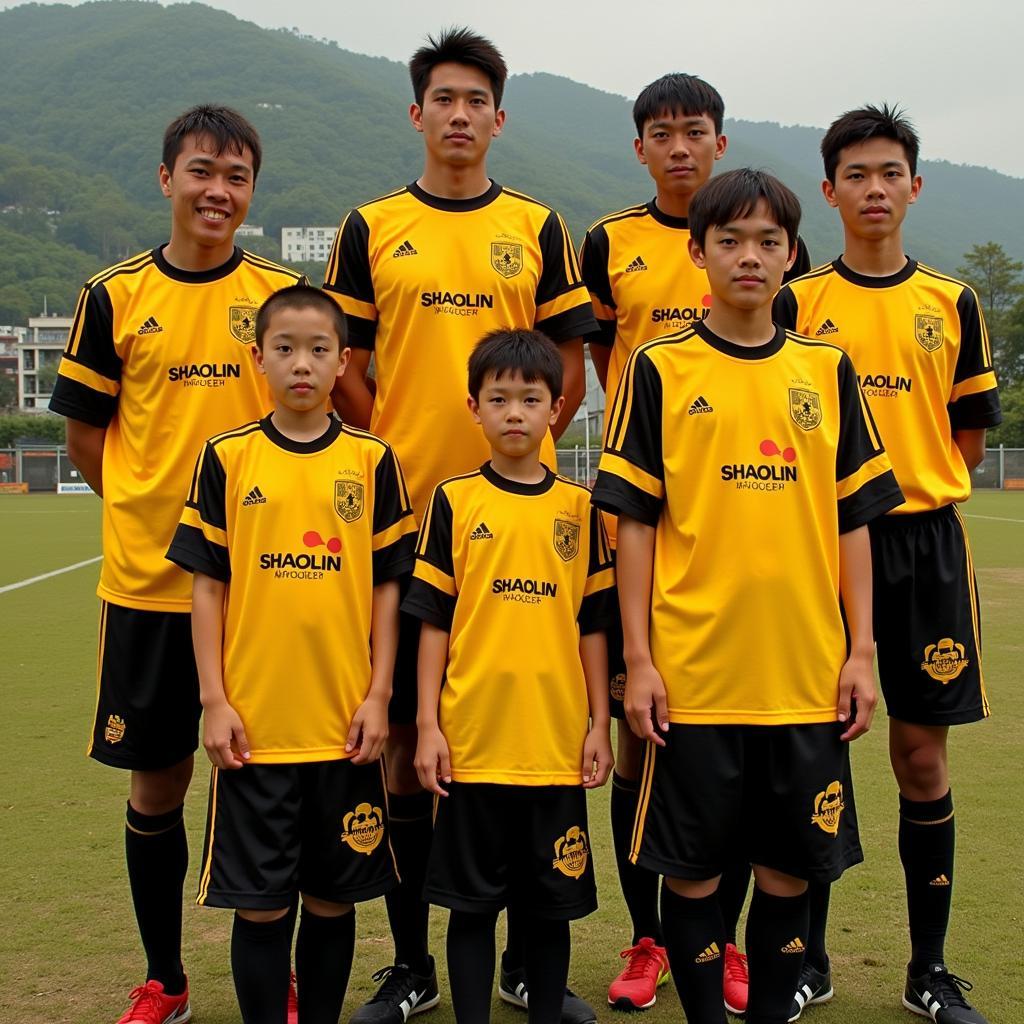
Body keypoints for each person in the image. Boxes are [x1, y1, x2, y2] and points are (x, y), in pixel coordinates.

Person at [323, 27, 597, 1024]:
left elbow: (567, 361)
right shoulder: (371, 225)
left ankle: (528, 963)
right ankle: (412, 963)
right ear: (416, 113)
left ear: (498, 117)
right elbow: (351, 359)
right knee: (404, 746)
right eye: (441, 97)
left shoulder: (534, 224)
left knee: (526, 745)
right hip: (403, 527)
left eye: (475, 98)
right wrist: (387, 442)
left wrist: (519, 451)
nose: (457, 113)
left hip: (518, 523)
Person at [592, 168, 904, 1024]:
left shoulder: (826, 368)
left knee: (788, 873)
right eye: (729, 240)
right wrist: (641, 660)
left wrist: (862, 651)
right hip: (694, 676)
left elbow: (854, 521)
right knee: (691, 872)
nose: (750, 256)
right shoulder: (658, 369)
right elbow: (637, 526)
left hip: (805, 673)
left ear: (792, 257)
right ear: (698, 254)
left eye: (769, 241)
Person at [48, 105, 304, 1024]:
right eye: (202, 172)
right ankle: (168, 978)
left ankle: (275, 976)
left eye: (236, 177)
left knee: (271, 776)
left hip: (268, 591)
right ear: (166, 180)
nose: (217, 191)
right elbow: (87, 438)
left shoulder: (278, 295)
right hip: (151, 586)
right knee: (158, 782)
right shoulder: (114, 295)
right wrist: (150, 508)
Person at [577, 72, 809, 1014]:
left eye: (695, 131)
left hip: (745, 542)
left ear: (721, 139)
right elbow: (605, 360)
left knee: (736, 761)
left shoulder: (758, 242)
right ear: (642, 147)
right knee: (643, 744)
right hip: (645, 532)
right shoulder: (610, 243)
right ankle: (649, 941)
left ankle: (727, 949)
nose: (679, 145)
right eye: (662, 133)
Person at [774, 105, 1001, 1024]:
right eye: (856, 174)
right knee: (817, 756)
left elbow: (970, 436)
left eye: (890, 172)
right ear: (828, 191)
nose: (875, 188)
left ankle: (929, 970)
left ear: (915, 184)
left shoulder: (952, 302)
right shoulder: (798, 301)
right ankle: (807, 963)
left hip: (925, 544)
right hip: (819, 546)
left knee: (919, 757)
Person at [164, 284, 416, 1024]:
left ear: (344, 361)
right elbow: (206, 588)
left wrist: (378, 696)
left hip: (344, 728)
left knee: (333, 902)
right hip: (256, 729)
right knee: (263, 910)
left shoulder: (373, 460)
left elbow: (387, 593)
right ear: (258, 359)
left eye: (317, 349)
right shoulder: (228, 457)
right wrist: (214, 699)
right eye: (284, 348)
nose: (301, 363)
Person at [404, 328, 615, 1024]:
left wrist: (598, 726)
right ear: (474, 408)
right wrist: (430, 725)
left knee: (549, 911)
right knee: (471, 911)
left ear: (558, 408)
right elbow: (433, 619)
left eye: (531, 399)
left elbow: (592, 626)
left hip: (554, 746)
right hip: (472, 746)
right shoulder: (453, 501)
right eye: (500, 399)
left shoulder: (579, 510)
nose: (516, 413)